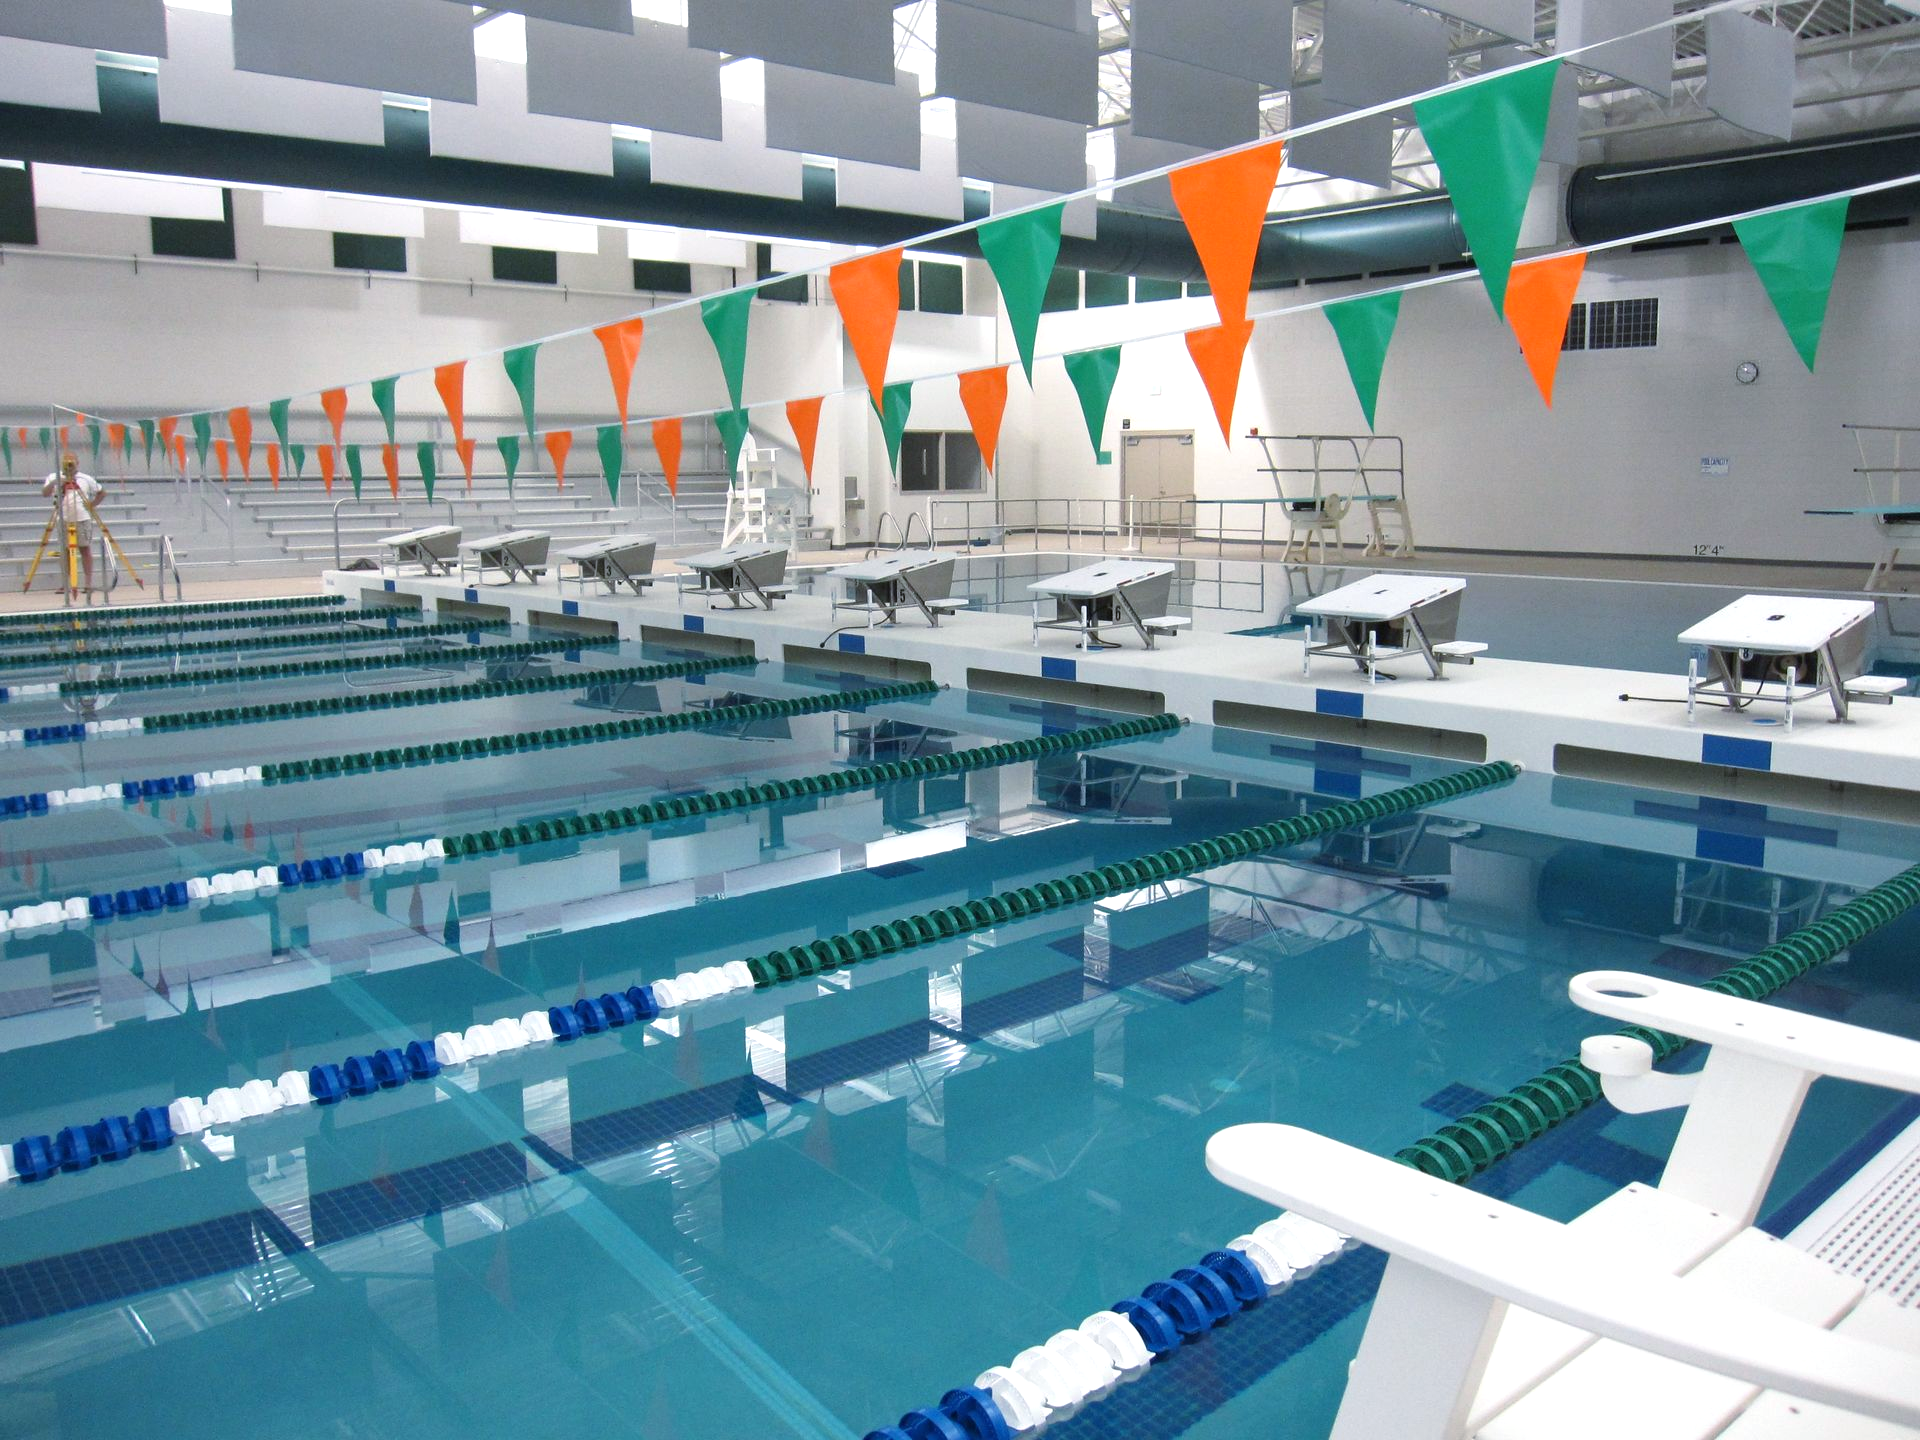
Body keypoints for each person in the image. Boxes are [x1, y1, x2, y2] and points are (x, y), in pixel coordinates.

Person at [41, 452, 102, 601]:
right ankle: (66, 583)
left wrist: (92, 505)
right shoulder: (53, 477)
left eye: (72, 462)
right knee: (65, 552)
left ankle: (88, 583)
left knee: (85, 549)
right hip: (63, 518)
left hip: (82, 518)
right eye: (66, 462)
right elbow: (45, 493)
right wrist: (56, 483)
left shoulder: (85, 478)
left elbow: (101, 492)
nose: (69, 465)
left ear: (77, 463)